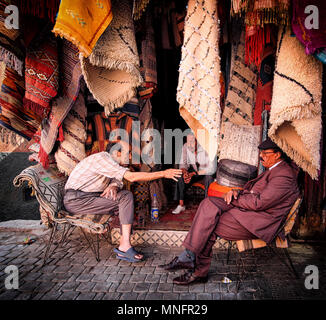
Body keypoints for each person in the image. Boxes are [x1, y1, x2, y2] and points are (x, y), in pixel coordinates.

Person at [160, 138, 300, 285]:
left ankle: (197, 270)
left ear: (277, 155)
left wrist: (235, 199)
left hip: (258, 222)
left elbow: (259, 202)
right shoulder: (276, 169)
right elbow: (254, 194)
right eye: (261, 152)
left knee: (208, 224)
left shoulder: (284, 175)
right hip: (247, 210)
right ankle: (188, 257)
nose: (261, 156)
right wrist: (234, 192)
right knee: (208, 203)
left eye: (265, 153)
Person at [63, 140, 182, 263]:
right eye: (128, 153)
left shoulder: (111, 163)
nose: (130, 156)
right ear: (117, 153)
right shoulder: (102, 158)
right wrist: (163, 173)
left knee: (125, 196)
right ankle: (125, 246)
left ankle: (124, 242)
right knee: (125, 199)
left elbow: (117, 180)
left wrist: (113, 185)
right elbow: (131, 177)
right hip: (76, 200)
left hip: (90, 197)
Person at [172, 132, 216, 214]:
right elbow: (183, 164)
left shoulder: (205, 147)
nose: (190, 144)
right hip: (195, 171)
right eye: (188, 141)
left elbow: (210, 168)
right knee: (180, 175)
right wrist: (185, 173)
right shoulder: (185, 146)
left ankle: (207, 205)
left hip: (206, 172)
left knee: (209, 177)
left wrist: (194, 173)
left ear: (197, 141)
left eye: (192, 141)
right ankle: (181, 205)